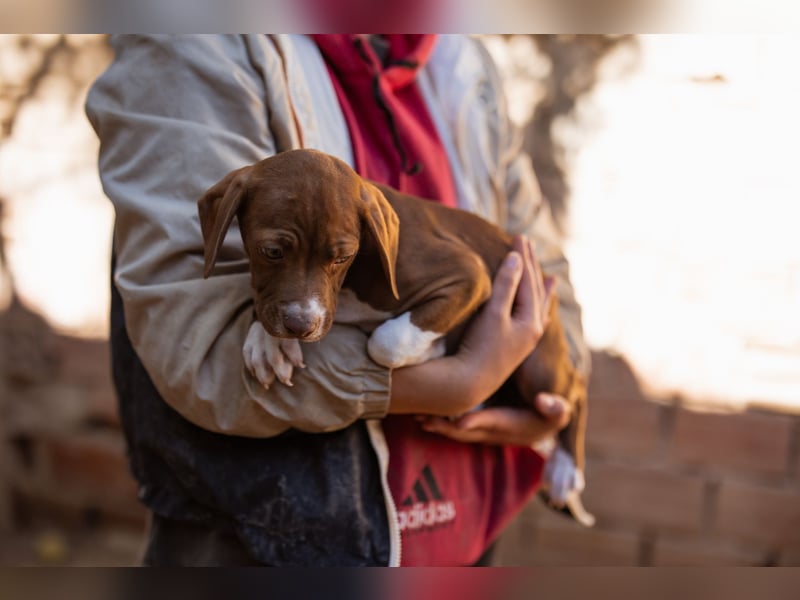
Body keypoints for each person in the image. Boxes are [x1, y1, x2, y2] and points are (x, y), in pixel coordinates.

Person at [86, 34, 590, 566]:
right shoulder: (194, 43)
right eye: (274, 251)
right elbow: (198, 342)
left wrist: (551, 404)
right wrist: (450, 380)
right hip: (273, 538)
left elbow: (543, 268)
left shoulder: (465, 60)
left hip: (467, 528)